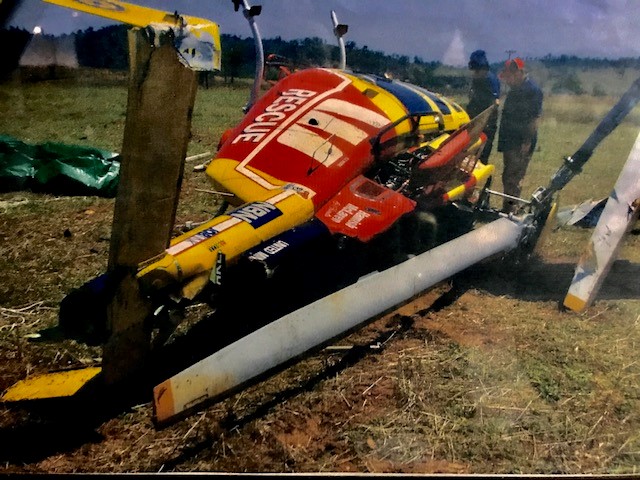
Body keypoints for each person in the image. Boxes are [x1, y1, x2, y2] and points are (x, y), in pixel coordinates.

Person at [497, 57, 543, 213]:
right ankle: (507, 207)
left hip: (520, 141)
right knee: (508, 174)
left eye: (510, 76)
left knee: (514, 176)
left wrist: (527, 141)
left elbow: (534, 118)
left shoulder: (532, 91)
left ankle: (511, 210)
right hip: (510, 139)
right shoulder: (515, 90)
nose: (508, 80)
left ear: (519, 73)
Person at [466, 49, 500, 164]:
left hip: (486, 123)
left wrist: (483, 122)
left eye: (476, 71)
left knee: (481, 154)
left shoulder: (490, 80)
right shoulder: (477, 80)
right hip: (475, 121)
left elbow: (494, 104)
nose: (474, 74)